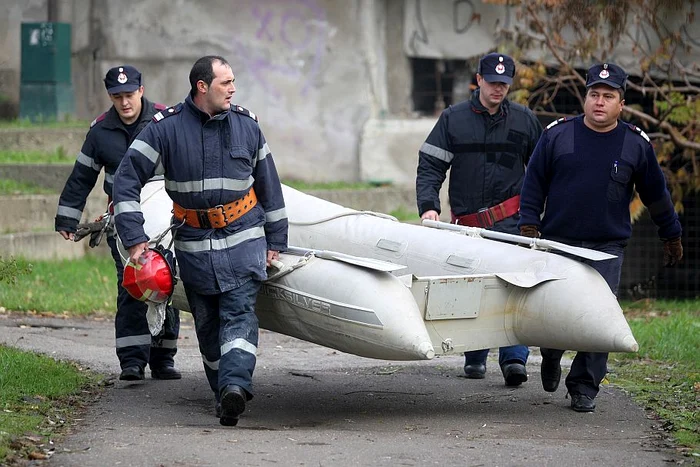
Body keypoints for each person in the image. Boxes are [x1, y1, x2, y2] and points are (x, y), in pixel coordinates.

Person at [112, 55, 288, 427]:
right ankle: (223, 394)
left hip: (243, 240)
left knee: (240, 315)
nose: (233, 88)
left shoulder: (247, 126)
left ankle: (236, 386)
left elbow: (269, 186)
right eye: (226, 82)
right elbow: (126, 179)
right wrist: (134, 238)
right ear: (202, 87)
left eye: (234, 81)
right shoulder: (166, 128)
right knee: (207, 326)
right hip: (193, 246)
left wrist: (277, 240)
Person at [518, 62, 683, 412]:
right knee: (553, 312)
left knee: (597, 319)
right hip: (557, 243)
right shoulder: (558, 135)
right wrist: (529, 224)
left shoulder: (635, 144)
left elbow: (656, 194)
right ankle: (551, 354)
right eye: (594, 94)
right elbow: (534, 181)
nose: (599, 102)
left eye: (608, 96)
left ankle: (584, 388)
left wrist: (671, 234)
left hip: (606, 247)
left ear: (621, 104)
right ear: (586, 97)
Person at [416, 52, 543, 386]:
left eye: (504, 84)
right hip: (467, 224)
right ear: (479, 79)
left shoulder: (524, 120)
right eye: (493, 82)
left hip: (511, 221)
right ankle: (474, 355)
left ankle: (514, 358)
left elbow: (544, 171)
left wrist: (538, 214)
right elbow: (431, 165)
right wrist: (429, 205)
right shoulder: (453, 119)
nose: (498, 89)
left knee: (514, 286)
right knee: (472, 285)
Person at [55, 65, 181, 382]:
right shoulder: (100, 131)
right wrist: (68, 217)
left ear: (141, 90)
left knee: (167, 283)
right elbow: (82, 176)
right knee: (133, 286)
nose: (124, 102)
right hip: (123, 223)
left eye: (129, 94)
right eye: (117, 96)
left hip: (165, 221)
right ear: (110, 96)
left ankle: (163, 358)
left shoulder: (165, 121)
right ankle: (132, 361)